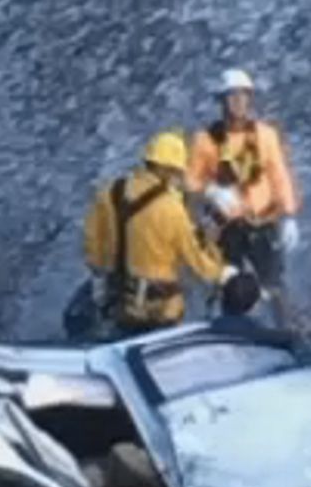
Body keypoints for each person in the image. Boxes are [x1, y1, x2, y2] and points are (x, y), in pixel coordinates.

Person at [82, 130, 237, 336]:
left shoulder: (110, 192)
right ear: (169, 170)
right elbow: (195, 260)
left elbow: (93, 247)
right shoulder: (171, 209)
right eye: (178, 173)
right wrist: (224, 274)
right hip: (160, 312)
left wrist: (109, 272)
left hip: (118, 304)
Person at [187, 68, 302, 326]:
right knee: (228, 282)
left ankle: (289, 333)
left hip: (262, 221)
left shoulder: (265, 135)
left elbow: (279, 176)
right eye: (232, 96)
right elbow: (190, 180)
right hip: (228, 225)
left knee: (274, 284)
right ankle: (226, 331)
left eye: (243, 96)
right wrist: (211, 190)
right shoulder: (205, 140)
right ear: (221, 101)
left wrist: (289, 215)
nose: (238, 102)